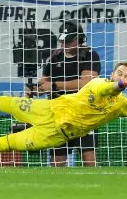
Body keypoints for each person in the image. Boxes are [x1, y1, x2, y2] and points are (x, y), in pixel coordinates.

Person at [38, 21, 102, 167]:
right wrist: (34, 88)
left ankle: (97, 188)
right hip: (60, 115)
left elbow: (86, 83)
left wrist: (54, 85)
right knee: (57, 161)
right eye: (62, 40)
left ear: (78, 39)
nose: (64, 43)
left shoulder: (90, 54)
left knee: (89, 158)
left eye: (68, 40)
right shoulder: (54, 57)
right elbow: (44, 82)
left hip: (84, 114)